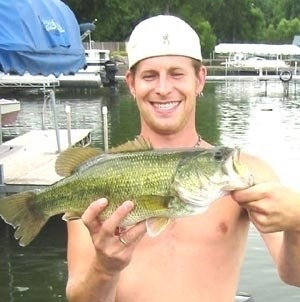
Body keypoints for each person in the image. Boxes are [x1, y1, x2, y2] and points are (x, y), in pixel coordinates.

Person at [65, 15, 300, 302]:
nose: (163, 88)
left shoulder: (244, 171)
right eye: (150, 75)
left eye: (177, 74)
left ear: (199, 79)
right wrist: (105, 267)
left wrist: (297, 223)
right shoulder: (98, 178)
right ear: (131, 83)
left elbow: (294, 276)